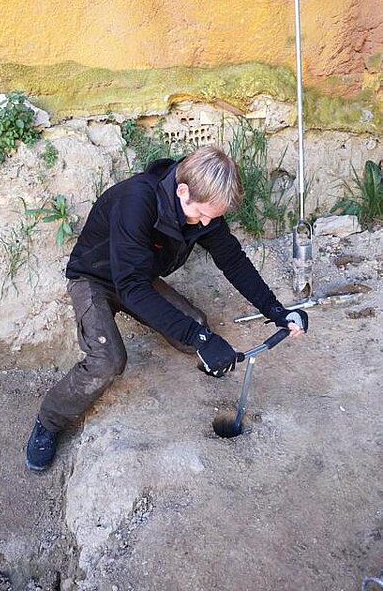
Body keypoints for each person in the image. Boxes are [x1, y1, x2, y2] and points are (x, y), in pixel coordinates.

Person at [26, 146, 308, 471]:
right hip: (93, 278)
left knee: (196, 323)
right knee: (108, 360)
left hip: (137, 276)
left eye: (213, 217)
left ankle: (199, 338)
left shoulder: (202, 209)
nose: (206, 222)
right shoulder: (136, 202)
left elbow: (232, 260)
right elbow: (131, 289)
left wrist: (275, 310)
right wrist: (201, 338)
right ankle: (48, 422)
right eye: (202, 214)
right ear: (183, 190)